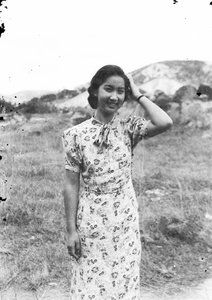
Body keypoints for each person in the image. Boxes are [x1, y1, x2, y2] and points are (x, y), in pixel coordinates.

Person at [62, 65, 173, 300]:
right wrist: (71, 230)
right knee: (90, 284)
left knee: (123, 282)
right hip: (91, 221)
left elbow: (165, 122)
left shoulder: (129, 128)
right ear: (95, 91)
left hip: (125, 219)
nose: (114, 96)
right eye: (108, 89)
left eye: (120, 91)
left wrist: (138, 94)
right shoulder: (74, 135)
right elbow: (71, 185)